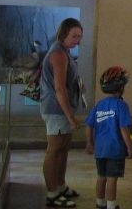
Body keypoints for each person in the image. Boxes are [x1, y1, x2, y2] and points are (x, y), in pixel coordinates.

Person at [40, 18, 84, 208]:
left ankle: (60, 186)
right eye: (74, 36)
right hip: (57, 110)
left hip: (63, 109)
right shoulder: (58, 54)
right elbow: (59, 88)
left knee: (63, 149)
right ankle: (52, 193)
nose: (77, 40)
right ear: (64, 34)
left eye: (79, 37)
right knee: (54, 150)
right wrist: (70, 117)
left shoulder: (64, 51)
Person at [85, 66, 132, 209]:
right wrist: (129, 147)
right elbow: (123, 128)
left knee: (101, 177)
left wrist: (89, 142)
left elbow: (89, 125)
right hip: (115, 149)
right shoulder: (121, 105)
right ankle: (111, 206)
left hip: (100, 149)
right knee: (112, 179)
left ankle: (100, 204)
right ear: (121, 87)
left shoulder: (99, 105)